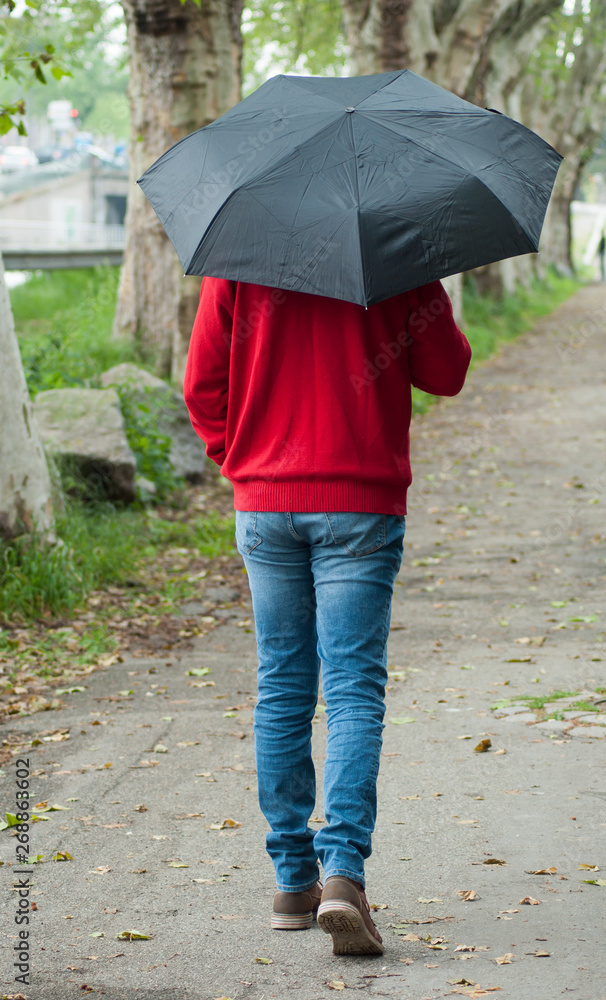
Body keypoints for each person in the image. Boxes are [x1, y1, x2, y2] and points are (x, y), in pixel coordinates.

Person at [183, 277, 472, 955]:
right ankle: (342, 874)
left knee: (283, 684)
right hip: (358, 500)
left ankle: (292, 881)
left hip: (264, 502)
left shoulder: (239, 256)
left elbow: (202, 386)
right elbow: (446, 372)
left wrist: (244, 464)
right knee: (351, 687)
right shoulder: (395, 251)